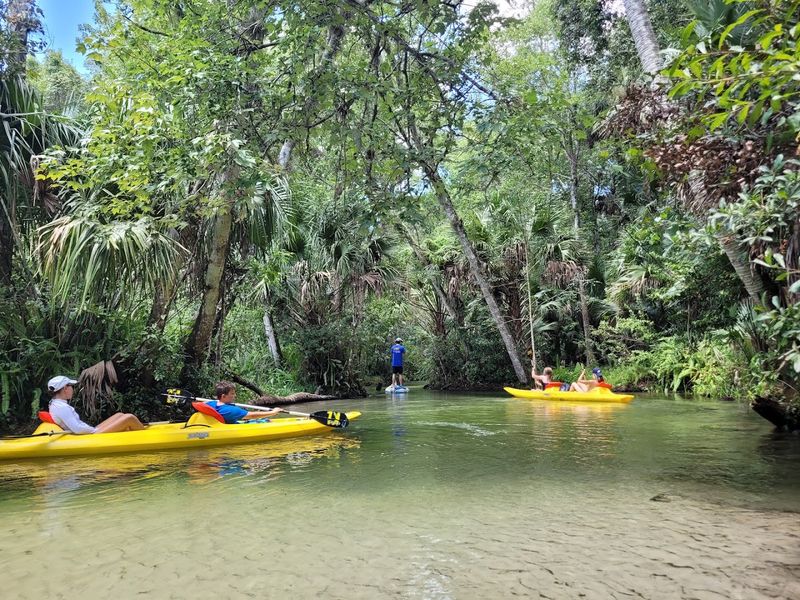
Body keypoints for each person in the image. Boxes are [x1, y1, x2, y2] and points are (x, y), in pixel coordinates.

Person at [47, 375, 145, 434]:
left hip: (90, 432)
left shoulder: (55, 403)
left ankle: (137, 429)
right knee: (129, 417)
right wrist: (93, 430)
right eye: (71, 386)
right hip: (91, 435)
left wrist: (93, 429)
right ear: (65, 388)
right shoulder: (62, 407)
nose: (73, 389)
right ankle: (145, 436)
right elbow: (77, 428)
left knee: (119, 415)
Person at [206, 381, 282, 424]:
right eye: (232, 393)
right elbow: (252, 415)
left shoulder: (211, 404)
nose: (234, 395)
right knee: (266, 421)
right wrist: (273, 412)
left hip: (223, 425)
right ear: (223, 396)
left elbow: (201, 404)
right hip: (231, 428)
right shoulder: (231, 410)